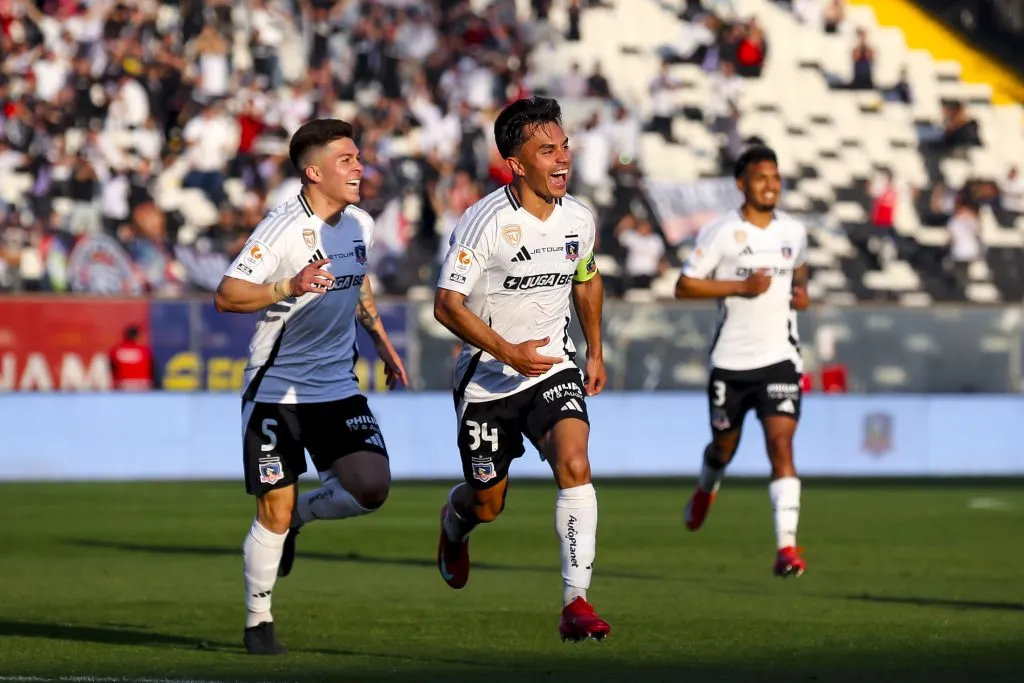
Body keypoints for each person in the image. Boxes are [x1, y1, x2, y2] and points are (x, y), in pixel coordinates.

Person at [214, 118, 409, 655]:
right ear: (313, 171)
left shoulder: (359, 226)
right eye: (346, 159)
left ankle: (304, 515)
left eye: (358, 157)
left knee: (371, 489)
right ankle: (259, 621)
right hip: (275, 388)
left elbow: (359, 284)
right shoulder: (280, 230)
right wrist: (288, 284)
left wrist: (383, 345)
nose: (359, 167)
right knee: (271, 509)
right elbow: (227, 295)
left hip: (336, 386)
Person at [432, 96, 611, 641]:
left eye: (564, 147)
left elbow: (586, 277)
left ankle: (575, 602)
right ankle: (454, 525)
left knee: (575, 464)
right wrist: (508, 352)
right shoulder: (482, 222)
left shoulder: (579, 218)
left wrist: (596, 349)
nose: (562, 160)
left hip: (553, 369)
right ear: (516, 163)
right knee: (487, 504)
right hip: (488, 384)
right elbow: (446, 305)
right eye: (546, 150)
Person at [674, 145, 810, 577]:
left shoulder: (794, 231)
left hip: (780, 359)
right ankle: (705, 488)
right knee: (723, 448)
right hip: (731, 363)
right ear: (741, 184)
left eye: (775, 176)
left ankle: (786, 548)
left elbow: (800, 271)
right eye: (761, 177)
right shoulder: (720, 233)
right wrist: (739, 287)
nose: (771, 184)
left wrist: (800, 293)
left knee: (781, 446)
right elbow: (685, 286)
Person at [109, 325, 156, 390]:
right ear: (137, 336)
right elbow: (152, 369)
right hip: (143, 385)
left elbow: (111, 369)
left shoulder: (116, 350)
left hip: (123, 385)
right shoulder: (144, 350)